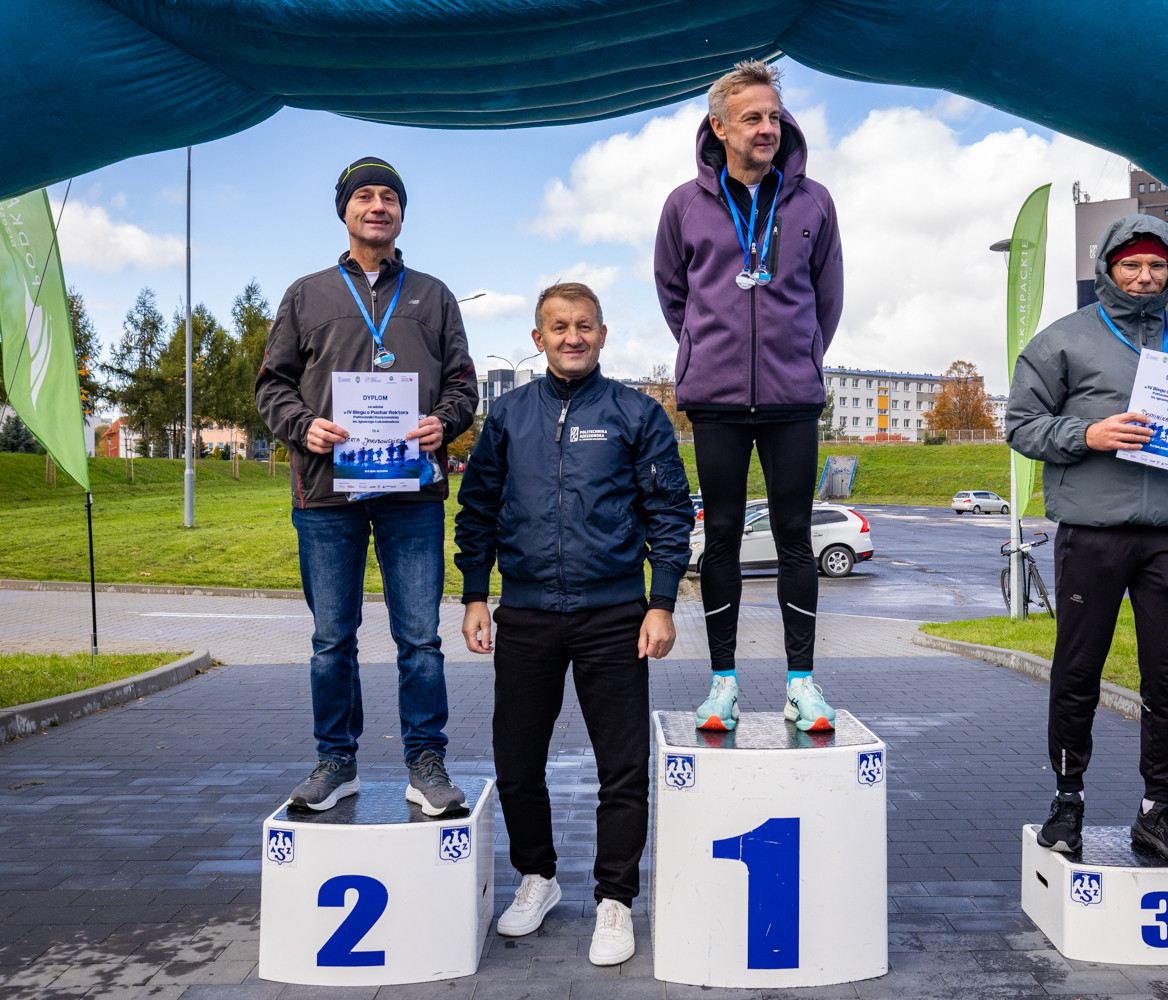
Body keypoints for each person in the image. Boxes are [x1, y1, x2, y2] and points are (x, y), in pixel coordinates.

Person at [454, 282, 693, 966]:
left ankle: (615, 900)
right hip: (526, 612)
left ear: (603, 334)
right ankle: (538, 877)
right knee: (516, 761)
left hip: (613, 615)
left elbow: (670, 512)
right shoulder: (508, 416)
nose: (573, 337)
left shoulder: (636, 413)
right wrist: (475, 595)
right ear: (538, 339)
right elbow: (478, 507)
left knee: (623, 765)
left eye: (584, 325)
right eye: (559, 327)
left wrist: (661, 602)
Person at [1005, 214, 1168, 865]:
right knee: (1077, 671)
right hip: (1093, 532)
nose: (1144, 276)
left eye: (1157, 266)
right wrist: (1087, 434)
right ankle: (1067, 803)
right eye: (1132, 264)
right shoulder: (1065, 339)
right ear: (1108, 269)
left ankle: (1156, 810)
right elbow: (1021, 424)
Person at [256, 156, 477, 817]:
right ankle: (336, 762)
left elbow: (463, 384)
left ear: (401, 214)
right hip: (328, 495)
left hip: (413, 495)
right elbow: (272, 384)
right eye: (365, 196)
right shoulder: (306, 295)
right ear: (345, 211)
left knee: (421, 639)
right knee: (332, 639)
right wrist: (304, 427)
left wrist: (445, 422)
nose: (377, 205)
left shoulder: (434, 295)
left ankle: (426, 762)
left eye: (389, 197)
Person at [653, 59, 844, 733]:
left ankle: (801, 685)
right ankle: (722, 684)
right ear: (719, 128)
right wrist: (708, 351)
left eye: (774, 117)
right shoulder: (683, 204)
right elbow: (675, 296)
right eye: (752, 118)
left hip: (792, 398)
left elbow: (828, 297)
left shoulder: (814, 201)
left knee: (794, 538)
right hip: (718, 401)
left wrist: (798, 354)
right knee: (723, 538)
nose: (766, 128)